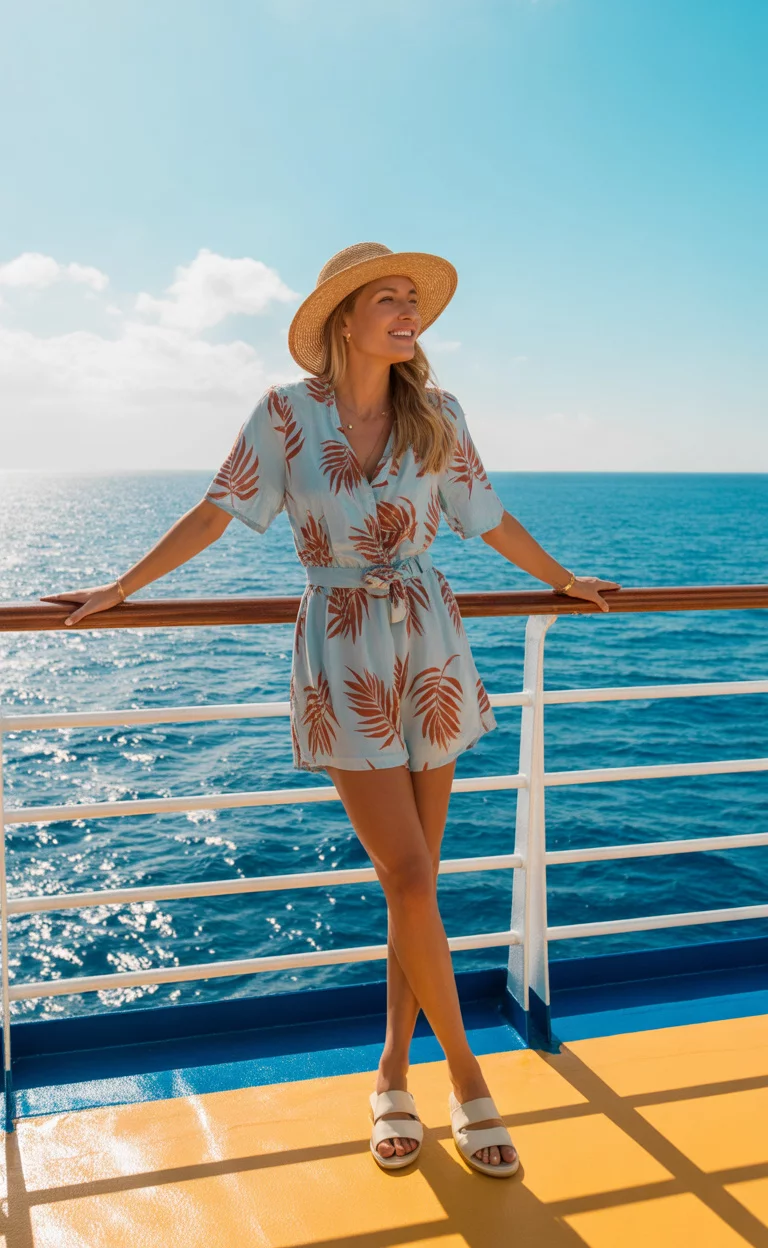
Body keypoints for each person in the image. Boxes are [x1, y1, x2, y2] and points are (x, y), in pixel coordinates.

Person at [43, 241, 620, 1178]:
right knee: (408, 874)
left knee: (417, 881)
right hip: (343, 646)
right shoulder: (285, 415)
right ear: (342, 319)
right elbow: (215, 511)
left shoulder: (439, 414)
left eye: (413, 300)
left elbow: (488, 517)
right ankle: (469, 1080)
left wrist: (563, 580)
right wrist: (121, 585)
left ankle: (393, 1070)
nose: (408, 312)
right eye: (387, 298)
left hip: (429, 636)